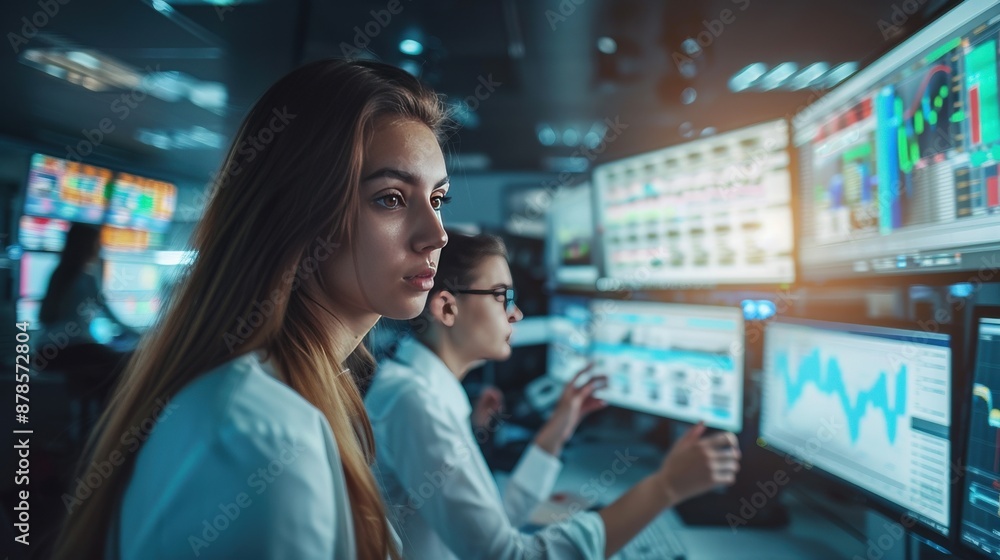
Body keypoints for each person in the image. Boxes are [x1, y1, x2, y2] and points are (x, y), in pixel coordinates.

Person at [50, 59, 451, 560]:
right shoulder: (262, 431)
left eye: (437, 199)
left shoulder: (297, 397)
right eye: (391, 198)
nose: (436, 234)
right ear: (300, 210)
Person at [365, 231, 742, 559]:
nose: (516, 315)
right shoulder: (415, 404)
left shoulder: (419, 390)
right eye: (502, 296)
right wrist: (666, 486)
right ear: (447, 307)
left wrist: (559, 427)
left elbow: (494, 527)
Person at [38, 222, 136, 386]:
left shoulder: (58, 274)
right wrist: (140, 335)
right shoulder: (86, 278)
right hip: (75, 349)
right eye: (97, 243)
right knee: (122, 365)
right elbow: (109, 314)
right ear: (87, 246)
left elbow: (45, 317)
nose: (99, 248)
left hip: (46, 351)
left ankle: (85, 408)